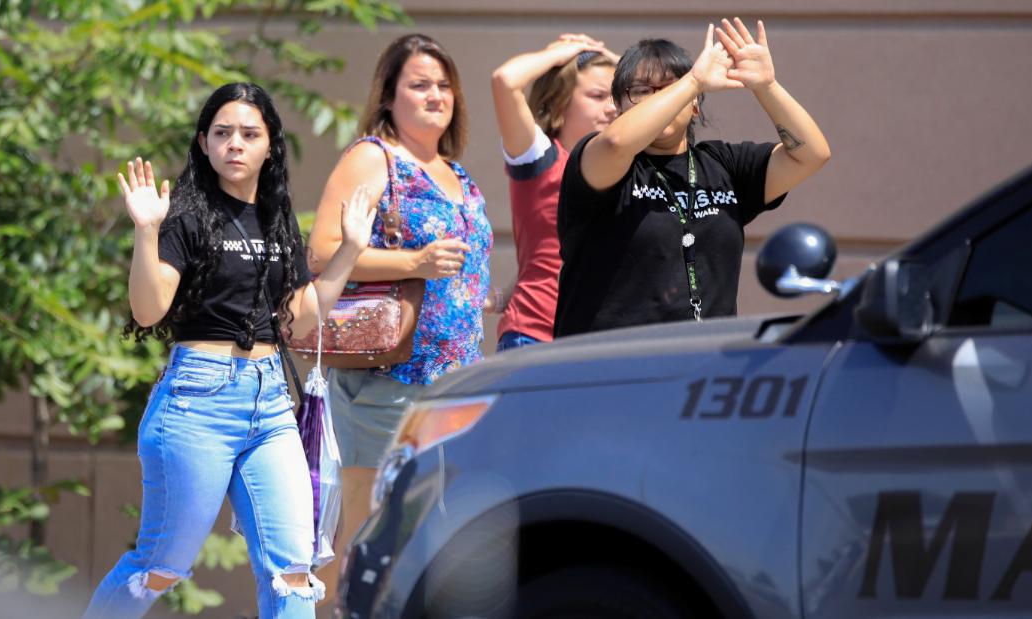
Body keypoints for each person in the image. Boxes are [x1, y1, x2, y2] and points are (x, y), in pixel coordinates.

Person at [84, 82, 376, 619]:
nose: (235, 144)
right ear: (203, 143)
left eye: (249, 134)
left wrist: (351, 252)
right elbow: (149, 311)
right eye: (222, 134)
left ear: (270, 145)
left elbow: (299, 320)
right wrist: (147, 232)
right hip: (198, 400)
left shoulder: (277, 218)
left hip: (269, 405)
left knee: (293, 572)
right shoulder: (186, 215)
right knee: (161, 568)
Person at [306, 34, 491, 598]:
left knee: (433, 529)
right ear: (389, 97)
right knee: (370, 526)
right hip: (390, 381)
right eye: (419, 84)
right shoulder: (374, 157)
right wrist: (414, 260)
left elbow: (455, 272)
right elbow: (322, 250)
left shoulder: (456, 173)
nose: (436, 95)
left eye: (444, 85)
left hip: (454, 382)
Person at [553, 18, 831, 337]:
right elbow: (616, 143)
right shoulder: (598, 157)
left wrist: (766, 86)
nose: (657, 99)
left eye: (669, 88)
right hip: (609, 365)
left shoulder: (724, 165)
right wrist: (692, 81)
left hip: (701, 364)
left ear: (695, 107)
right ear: (618, 107)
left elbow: (811, 154)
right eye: (641, 91)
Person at [489, 34, 619, 350]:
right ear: (560, 103)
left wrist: (611, 58)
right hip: (537, 338)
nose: (612, 108)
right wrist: (562, 53)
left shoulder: (624, 165)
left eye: (616, 96)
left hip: (600, 342)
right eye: (598, 95)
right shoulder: (541, 156)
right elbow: (505, 81)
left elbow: (671, 97)